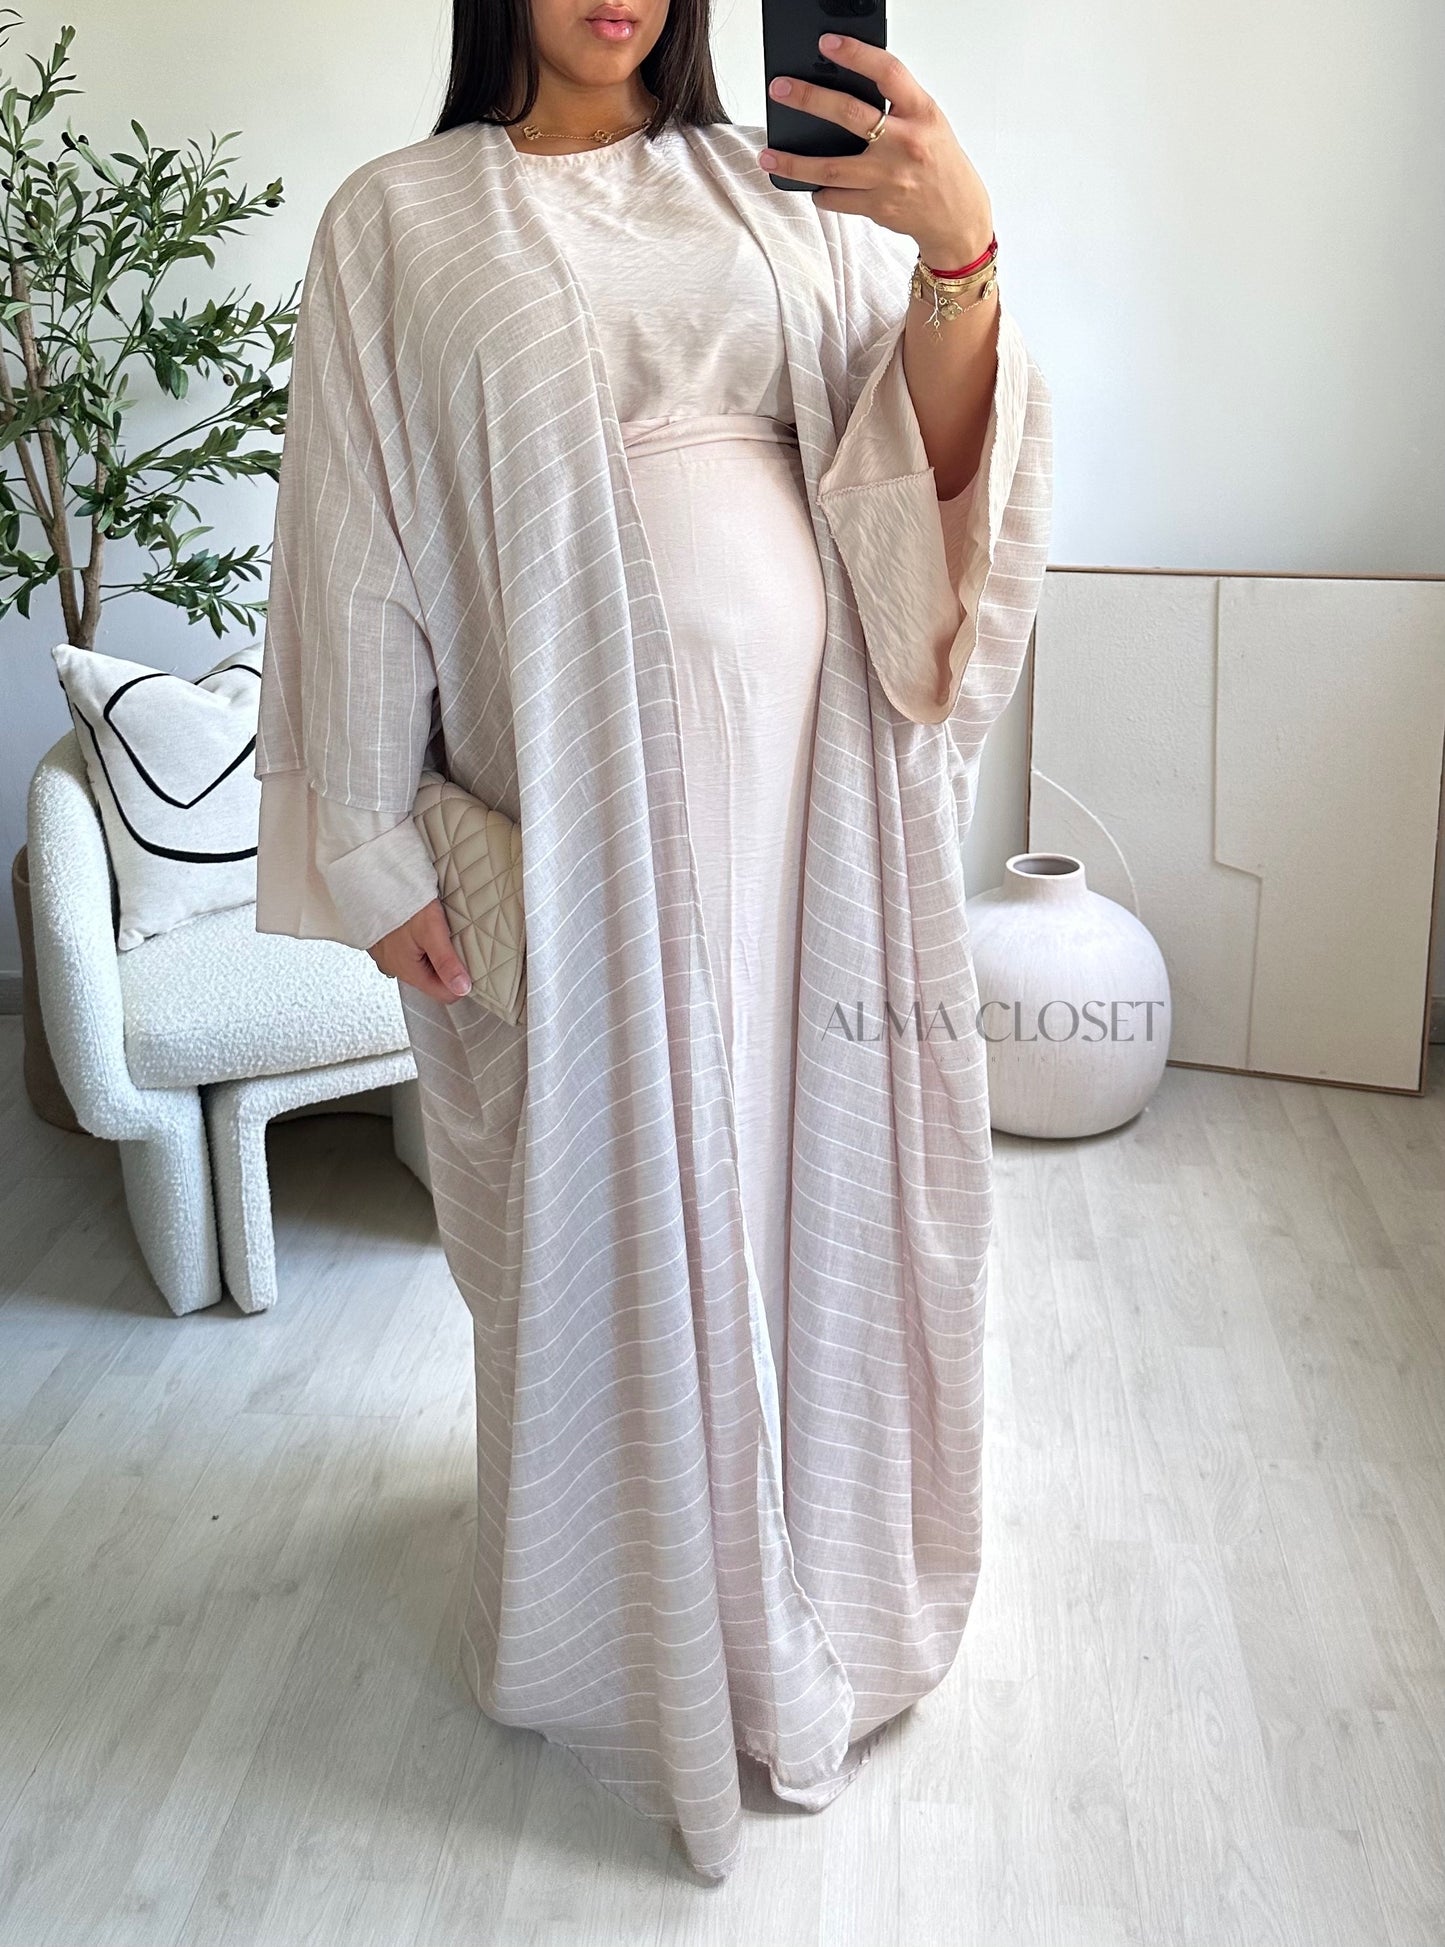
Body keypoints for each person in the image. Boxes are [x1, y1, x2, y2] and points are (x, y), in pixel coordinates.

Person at [253, 0, 1053, 1882]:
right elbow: (354, 528)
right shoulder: (401, 220)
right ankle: (636, 1603)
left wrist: (954, 254)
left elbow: (911, 474)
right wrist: (370, 846)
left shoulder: (772, 192)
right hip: (581, 816)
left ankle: (814, 1547)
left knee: (793, 1183)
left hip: (812, 807)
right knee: (617, 1196)